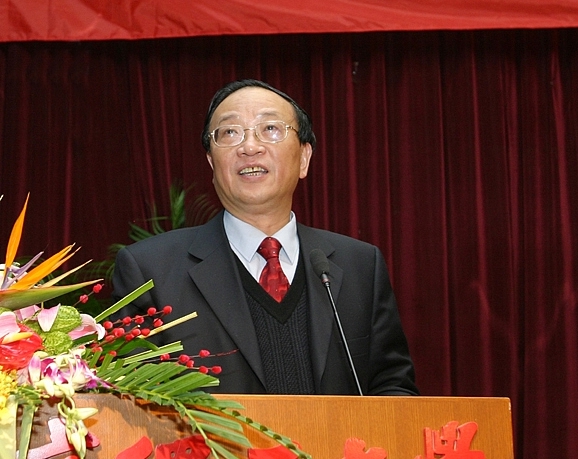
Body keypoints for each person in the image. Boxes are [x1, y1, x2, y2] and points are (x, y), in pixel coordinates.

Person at [112, 79, 418, 396]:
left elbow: (393, 387)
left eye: (270, 129)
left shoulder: (360, 266)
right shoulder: (151, 271)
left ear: (304, 158)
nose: (249, 147)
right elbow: (135, 399)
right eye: (230, 133)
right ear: (211, 163)